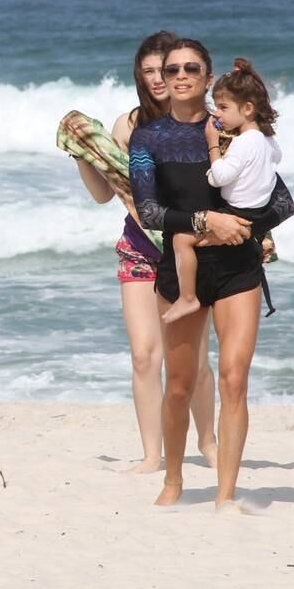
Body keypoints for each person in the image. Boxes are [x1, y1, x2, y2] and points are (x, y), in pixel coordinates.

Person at [129, 37, 294, 509]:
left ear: (207, 76)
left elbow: (281, 202)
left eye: (192, 68)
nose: (180, 76)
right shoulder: (149, 138)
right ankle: (175, 480)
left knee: (234, 379)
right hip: (181, 270)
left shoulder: (237, 132)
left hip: (236, 268)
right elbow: (149, 211)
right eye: (172, 68)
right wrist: (206, 221)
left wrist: (245, 228)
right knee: (180, 386)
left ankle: (226, 495)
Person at [73, 31, 217, 473]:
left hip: (190, 251)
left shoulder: (205, 125)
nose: (159, 78)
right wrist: (83, 153)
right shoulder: (129, 125)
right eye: (151, 70)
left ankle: (208, 442)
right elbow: (105, 193)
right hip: (139, 250)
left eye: (167, 69)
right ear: (139, 74)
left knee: (191, 358)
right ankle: (152, 454)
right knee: (144, 355)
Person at [163, 58, 282, 324]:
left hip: (234, 212)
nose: (217, 113)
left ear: (248, 108)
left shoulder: (242, 143)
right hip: (257, 213)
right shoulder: (266, 139)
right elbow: (277, 158)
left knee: (181, 240)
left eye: (223, 107)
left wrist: (213, 145)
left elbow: (219, 177)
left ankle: (188, 297)